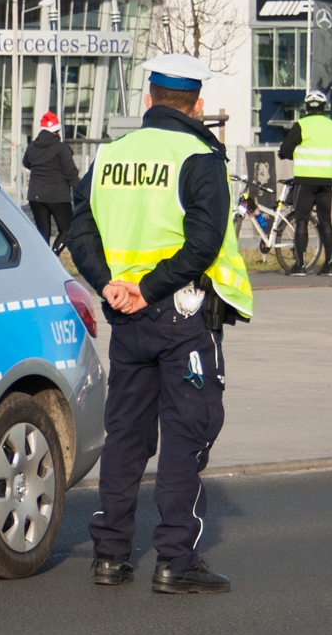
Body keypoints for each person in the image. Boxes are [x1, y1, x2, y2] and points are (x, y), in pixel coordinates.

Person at [66, 53, 254, 595]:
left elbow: (80, 229)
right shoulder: (200, 156)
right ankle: (175, 560)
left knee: (126, 433)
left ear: (148, 99)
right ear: (196, 104)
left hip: (127, 319)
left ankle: (110, 554)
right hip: (183, 316)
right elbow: (203, 243)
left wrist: (110, 285)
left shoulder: (111, 155)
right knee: (186, 435)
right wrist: (149, 288)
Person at [278, 89, 332, 276]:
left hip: (305, 180)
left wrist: (295, 154)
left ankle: (300, 265)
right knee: (326, 221)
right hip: (326, 181)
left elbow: (285, 149)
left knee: (302, 221)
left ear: (307, 106)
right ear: (324, 106)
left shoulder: (301, 125)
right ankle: (329, 265)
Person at [23, 110, 79, 253]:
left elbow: (26, 163)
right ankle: (54, 256)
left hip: (36, 195)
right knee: (68, 229)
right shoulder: (61, 148)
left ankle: (43, 263)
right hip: (58, 196)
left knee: (43, 234)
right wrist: (81, 190)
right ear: (57, 130)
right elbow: (70, 173)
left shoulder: (32, 147)